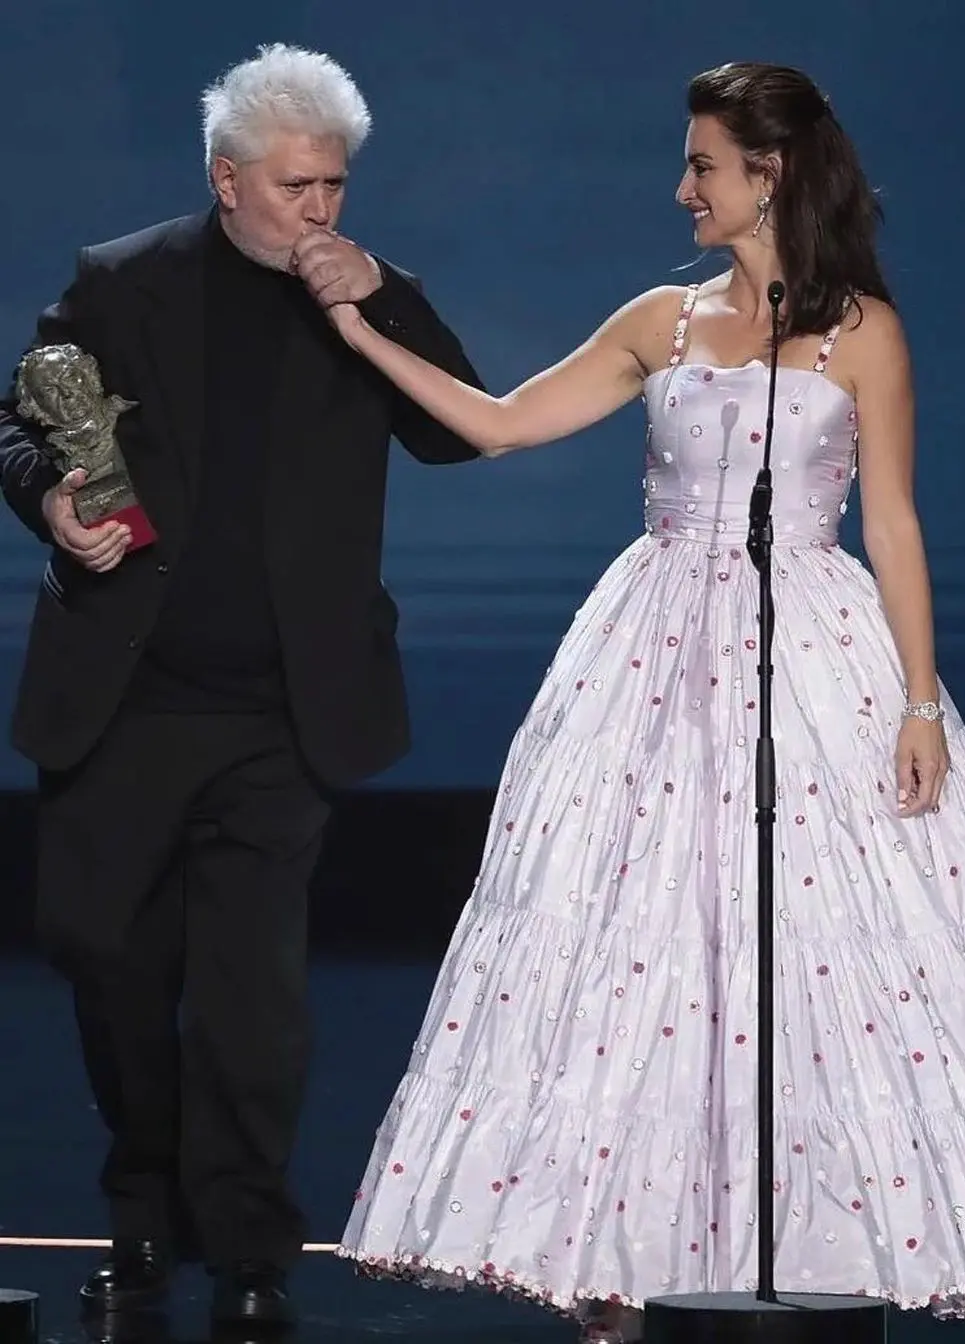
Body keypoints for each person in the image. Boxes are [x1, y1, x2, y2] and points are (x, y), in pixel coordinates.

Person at [331, 61, 965, 1343]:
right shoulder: (658, 322)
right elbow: (506, 426)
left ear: (768, 175)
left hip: (814, 653)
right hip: (656, 666)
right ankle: (627, 1258)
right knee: (643, 946)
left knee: (823, 952)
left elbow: (891, 522)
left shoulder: (864, 335)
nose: (683, 189)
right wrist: (359, 333)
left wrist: (915, 703)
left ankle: (828, 1244)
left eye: (703, 167)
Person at [0, 43, 482, 1328]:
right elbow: (23, 419)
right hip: (123, 698)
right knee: (107, 959)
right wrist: (52, 499)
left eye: (334, 186)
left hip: (283, 711)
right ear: (227, 181)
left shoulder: (372, 296)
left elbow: (454, 429)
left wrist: (377, 295)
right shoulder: (123, 282)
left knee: (249, 998)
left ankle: (251, 1249)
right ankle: (142, 1212)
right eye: (295, 189)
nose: (321, 211)